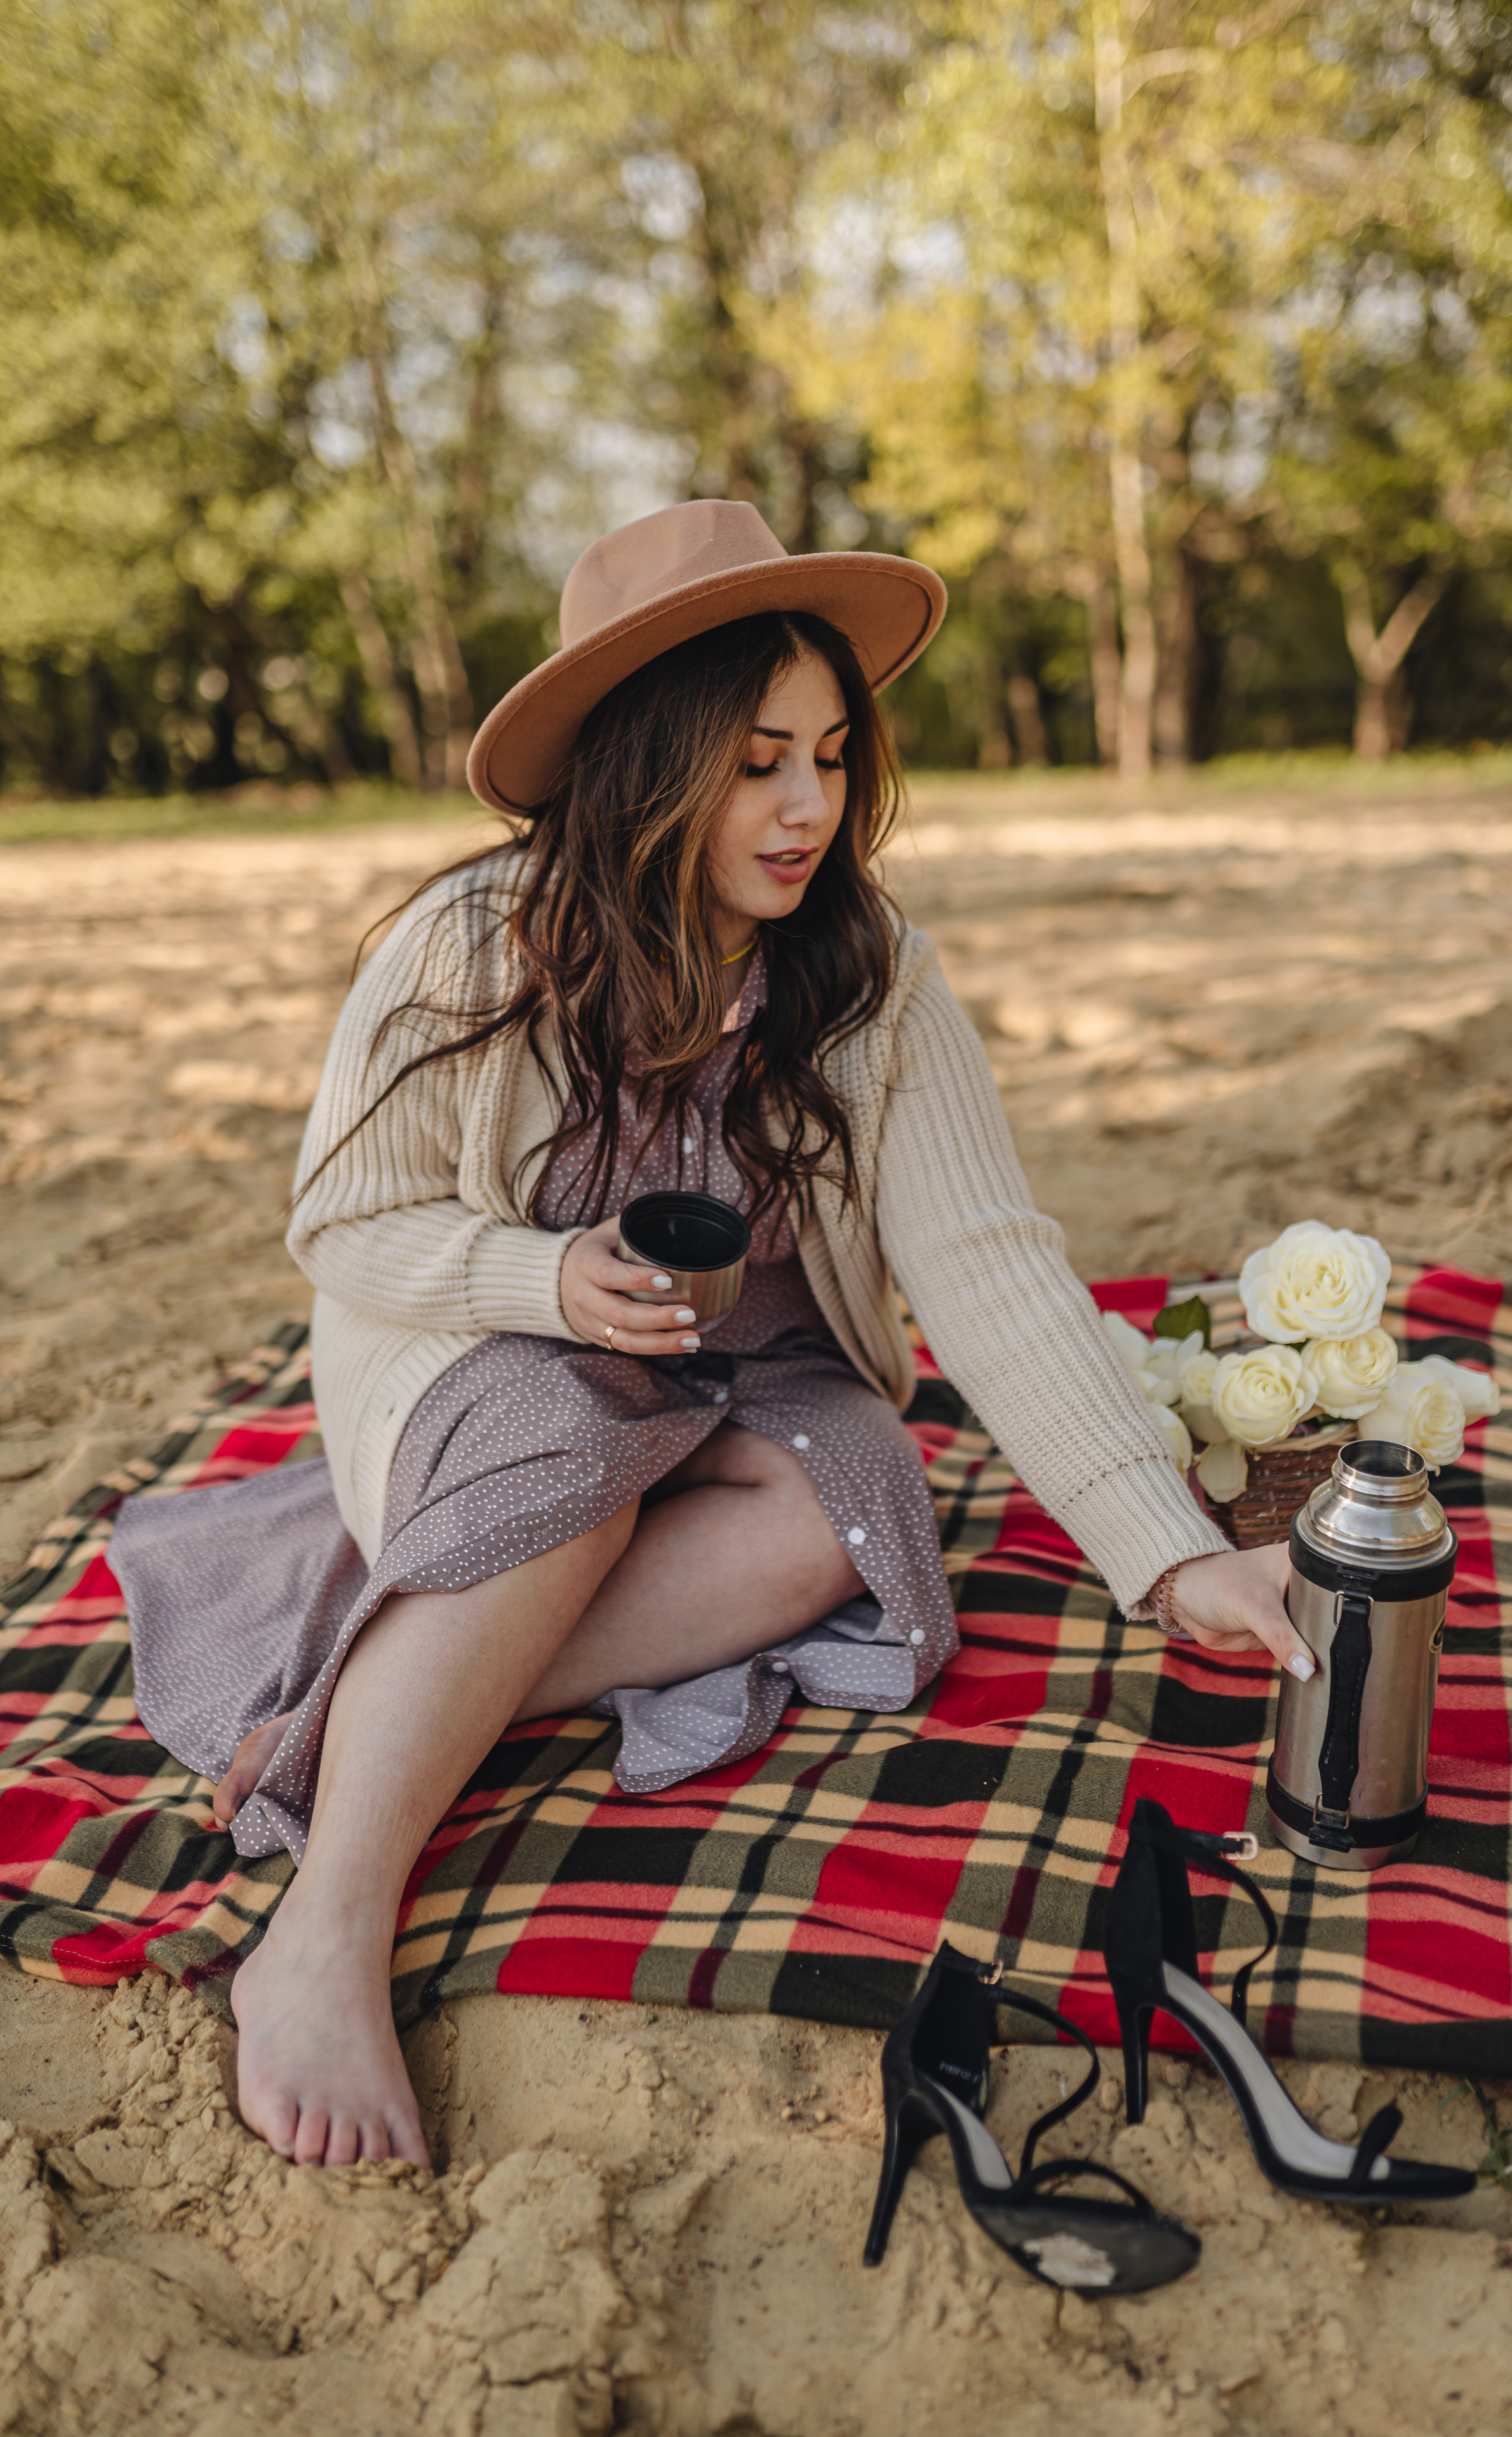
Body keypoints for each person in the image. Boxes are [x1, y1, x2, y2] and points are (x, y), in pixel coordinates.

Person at [112, 500, 1314, 2173]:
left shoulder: (868, 967)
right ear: (652, 763)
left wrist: (1171, 1556)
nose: (810, 805)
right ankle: (325, 1921)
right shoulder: (468, 942)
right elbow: (345, 1225)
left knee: (863, 1498)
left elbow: (987, 1261)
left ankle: (374, 1699)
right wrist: (545, 1287)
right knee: (582, 1453)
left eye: (829, 754)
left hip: (748, 1381)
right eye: (759, 761)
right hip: (494, 1370)